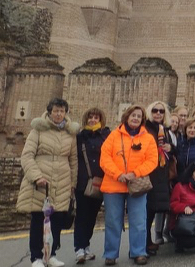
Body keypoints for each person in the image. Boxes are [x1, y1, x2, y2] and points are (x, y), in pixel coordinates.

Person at [17, 98, 80, 267]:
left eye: (61, 111)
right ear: (50, 112)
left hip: (62, 182)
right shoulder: (38, 130)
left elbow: (73, 160)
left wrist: (73, 184)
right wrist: (36, 176)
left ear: (66, 113)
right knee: (39, 219)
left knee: (57, 220)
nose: (59, 114)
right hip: (41, 181)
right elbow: (27, 155)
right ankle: (36, 257)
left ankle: (51, 255)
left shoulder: (70, 134)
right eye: (55, 111)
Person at [99, 105, 158, 266]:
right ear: (126, 117)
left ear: (142, 120)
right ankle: (111, 254)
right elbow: (105, 158)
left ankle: (138, 252)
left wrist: (135, 173)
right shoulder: (113, 136)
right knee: (112, 221)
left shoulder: (147, 138)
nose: (136, 118)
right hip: (113, 184)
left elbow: (152, 160)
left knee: (139, 220)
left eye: (139, 116)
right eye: (133, 115)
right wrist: (118, 174)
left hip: (137, 185)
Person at [74, 107, 109, 264]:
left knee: (92, 216)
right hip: (83, 182)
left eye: (96, 118)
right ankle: (79, 248)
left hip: (100, 182)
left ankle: (86, 245)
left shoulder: (106, 136)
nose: (93, 120)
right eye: (90, 117)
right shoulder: (79, 137)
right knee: (82, 215)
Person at [144, 101, 175, 256]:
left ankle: (147, 242)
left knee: (153, 209)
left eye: (161, 111)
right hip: (148, 174)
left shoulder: (165, 131)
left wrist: (171, 148)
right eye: (155, 110)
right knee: (147, 210)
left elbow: (170, 151)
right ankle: (144, 243)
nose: (158, 113)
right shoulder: (145, 129)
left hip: (161, 174)